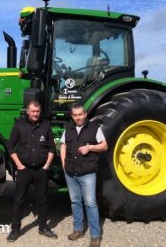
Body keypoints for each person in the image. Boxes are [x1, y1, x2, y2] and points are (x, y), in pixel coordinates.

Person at [6, 100, 58, 242]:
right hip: (24, 170)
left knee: (42, 200)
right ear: (27, 111)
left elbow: (52, 148)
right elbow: (10, 146)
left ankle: (43, 227)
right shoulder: (19, 126)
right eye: (33, 111)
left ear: (40, 112)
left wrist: (46, 165)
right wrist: (19, 165)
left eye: (38, 111)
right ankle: (15, 230)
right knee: (19, 200)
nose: (35, 114)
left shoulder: (45, 126)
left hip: (41, 170)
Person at [60, 104, 108, 247]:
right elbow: (62, 145)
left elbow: (104, 146)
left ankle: (95, 236)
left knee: (90, 203)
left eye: (80, 114)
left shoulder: (94, 128)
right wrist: (64, 164)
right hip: (70, 173)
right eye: (75, 115)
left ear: (85, 114)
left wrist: (90, 147)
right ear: (72, 116)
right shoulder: (68, 129)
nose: (78, 117)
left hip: (87, 173)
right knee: (75, 202)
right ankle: (78, 230)